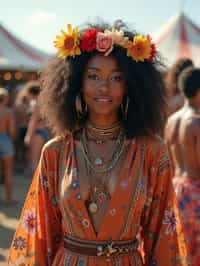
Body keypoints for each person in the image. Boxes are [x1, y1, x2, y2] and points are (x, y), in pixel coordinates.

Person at [8, 21, 188, 265]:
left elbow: (163, 238)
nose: (104, 87)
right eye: (93, 76)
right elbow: (41, 237)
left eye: (116, 78)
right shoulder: (55, 152)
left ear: (131, 85)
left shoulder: (152, 151)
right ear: (76, 83)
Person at [165, 67, 200, 266]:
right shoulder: (197, 122)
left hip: (175, 190)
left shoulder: (171, 121)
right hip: (196, 193)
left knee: (180, 255)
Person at [23, 81, 50, 177]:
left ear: (31, 93)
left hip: (37, 133)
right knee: (40, 160)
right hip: (44, 132)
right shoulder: (45, 103)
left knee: (34, 161)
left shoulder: (35, 104)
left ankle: (37, 185)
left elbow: (33, 121)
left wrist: (28, 136)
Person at [0, 87, 16, 205]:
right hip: (5, 139)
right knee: (8, 171)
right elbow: (11, 131)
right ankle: (9, 198)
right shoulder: (8, 111)